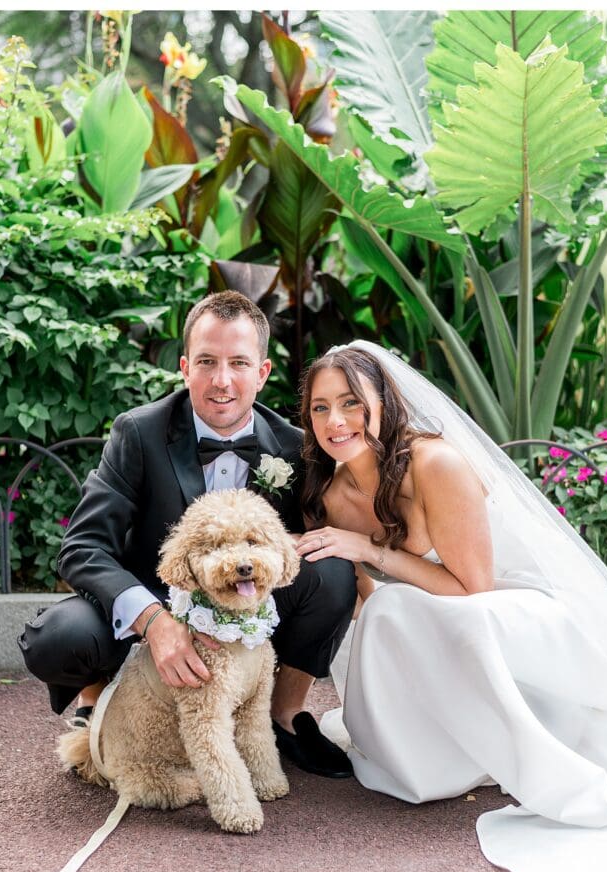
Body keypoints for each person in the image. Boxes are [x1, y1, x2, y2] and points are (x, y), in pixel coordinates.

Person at [294, 341, 607, 872]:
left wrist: (371, 550)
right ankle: (433, 750)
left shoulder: (437, 464)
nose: (335, 421)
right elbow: (364, 600)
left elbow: (475, 589)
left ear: (383, 402)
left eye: (351, 403)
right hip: (428, 625)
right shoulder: (333, 495)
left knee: (410, 611)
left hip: (510, 612)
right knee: (389, 615)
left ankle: (523, 748)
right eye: (321, 408)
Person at [18, 291, 356, 778]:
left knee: (334, 572)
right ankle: (100, 703)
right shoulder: (138, 432)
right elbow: (82, 547)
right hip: (154, 594)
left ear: (262, 373)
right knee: (58, 638)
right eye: (207, 362)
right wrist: (154, 621)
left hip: (246, 601)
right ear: (184, 368)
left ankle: (282, 715)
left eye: (239, 363)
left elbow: (312, 541)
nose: (222, 380)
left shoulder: (294, 447)